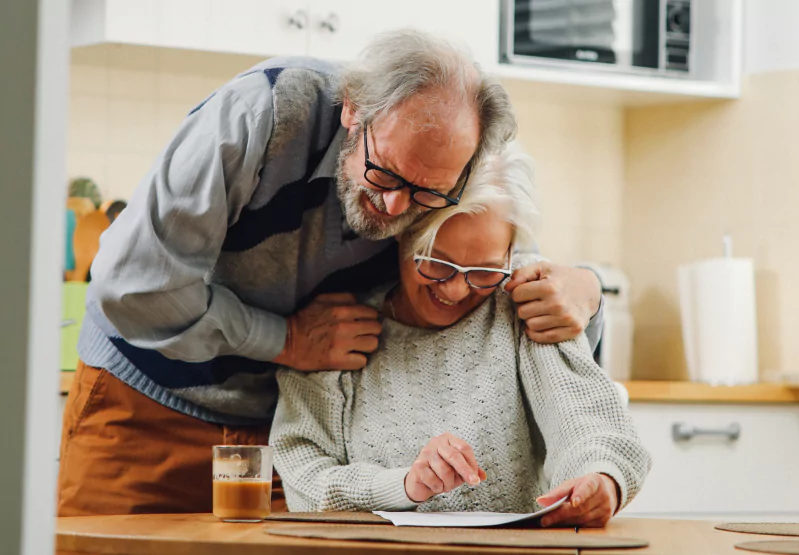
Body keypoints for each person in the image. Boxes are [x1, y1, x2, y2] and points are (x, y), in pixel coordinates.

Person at [58, 30, 606, 516]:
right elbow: (133, 288)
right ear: (352, 109)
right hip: (145, 408)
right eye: (383, 172)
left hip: (284, 434)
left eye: (426, 194)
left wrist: (588, 288)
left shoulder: (453, 162)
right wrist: (287, 340)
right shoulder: (263, 112)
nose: (395, 208)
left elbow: (507, 272)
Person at [270, 145, 651, 527]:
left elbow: (590, 423)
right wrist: (403, 485)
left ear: (510, 253)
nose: (454, 291)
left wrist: (602, 480)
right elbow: (304, 480)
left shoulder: (524, 302)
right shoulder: (335, 333)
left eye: (484, 272)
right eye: (435, 262)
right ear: (401, 237)